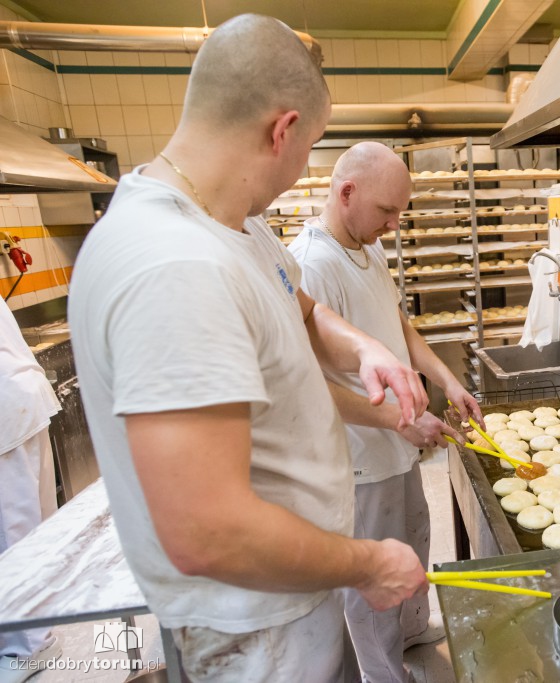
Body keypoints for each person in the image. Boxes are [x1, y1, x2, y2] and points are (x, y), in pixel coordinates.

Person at [68, 15, 430, 683]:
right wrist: (370, 563)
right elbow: (208, 531)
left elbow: (306, 310)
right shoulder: (173, 264)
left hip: (292, 602)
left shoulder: (237, 228)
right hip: (253, 635)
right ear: (282, 129)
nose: (303, 172)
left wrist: (364, 352)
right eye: (311, 146)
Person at [288, 141, 483, 683]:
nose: (394, 225)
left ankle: (415, 629)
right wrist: (401, 419)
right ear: (346, 191)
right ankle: (384, 673)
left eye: (400, 212)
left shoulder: (367, 245)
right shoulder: (312, 263)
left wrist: (446, 382)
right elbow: (305, 387)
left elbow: (399, 327)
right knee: (374, 578)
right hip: (358, 459)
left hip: (397, 444)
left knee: (414, 539)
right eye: (386, 211)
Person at [0, 300, 62, 683]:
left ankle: (29, 647)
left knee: (14, 535)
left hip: (7, 411)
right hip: (19, 398)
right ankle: (38, 630)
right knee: (33, 528)